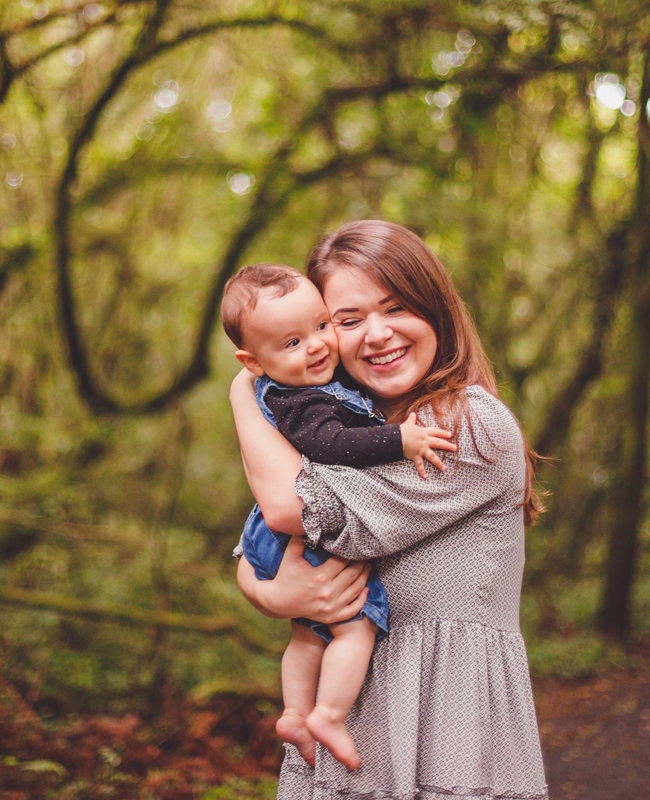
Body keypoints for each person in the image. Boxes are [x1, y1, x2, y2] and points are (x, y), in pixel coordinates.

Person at [230, 220, 549, 800]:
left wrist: (243, 398)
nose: (376, 335)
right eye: (348, 320)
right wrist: (271, 593)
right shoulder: (349, 432)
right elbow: (259, 548)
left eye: (396, 307)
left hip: (447, 725)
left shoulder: (466, 425)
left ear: (437, 310)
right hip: (351, 730)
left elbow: (288, 508)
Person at [220, 262, 458, 770]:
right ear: (253, 361)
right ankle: (327, 714)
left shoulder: (310, 384)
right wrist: (401, 439)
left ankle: (294, 711)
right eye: (291, 343)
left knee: (309, 633)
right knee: (356, 624)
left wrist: (264, 589)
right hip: (291, 535)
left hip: (271, 533)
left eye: (324, 326)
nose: (316, 346)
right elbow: (297, 493)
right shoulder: (301, 399)